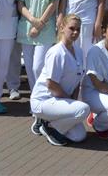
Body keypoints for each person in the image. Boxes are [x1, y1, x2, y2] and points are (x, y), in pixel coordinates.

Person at [17, 0, 62, 124]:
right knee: (29, 68)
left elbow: (54, 3)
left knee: (39, 67)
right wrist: (32, 21)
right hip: (27, 28)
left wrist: (40, 23)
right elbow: (20, 3)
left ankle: (42, 100)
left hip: (45, 30)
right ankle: (36, 102)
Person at [29, 15, 90, 146]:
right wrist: (68, 100)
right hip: (43, 101)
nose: (75, 32)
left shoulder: (78, 51)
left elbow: (77, 80)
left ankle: (48, 122)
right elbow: (50, 84)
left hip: (60, 100)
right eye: (71, 28)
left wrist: (71, 101)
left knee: (79, 136)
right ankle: (49, 127)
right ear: (62, 27)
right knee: (83, 109)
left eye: (78, 30)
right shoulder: (56, 52)